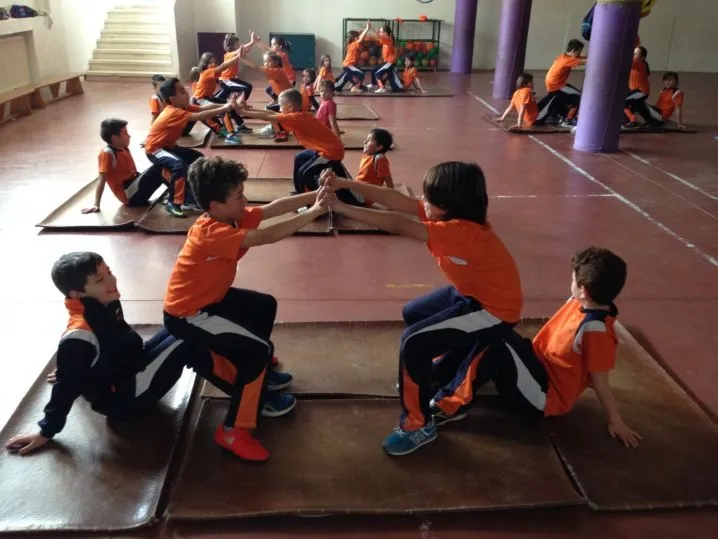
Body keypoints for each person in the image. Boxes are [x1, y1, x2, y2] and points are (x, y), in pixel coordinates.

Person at [320, 162, 523, 456]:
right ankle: (434, 376)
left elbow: (397, 223)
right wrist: (344, 183)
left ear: (447, 206)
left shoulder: (460, 232)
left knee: (414, 343)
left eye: (429, 198)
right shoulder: (449, 216)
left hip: (495, 311)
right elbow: (399, 201)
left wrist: (340, 206)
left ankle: (418, 424)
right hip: (472, 295)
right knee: (414, 314)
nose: (422, 201)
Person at [163, 156, 334, 461]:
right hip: (189, 315)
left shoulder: (231, 217)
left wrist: (314, 194)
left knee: (263, 306)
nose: (245, 200)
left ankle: (257, 372)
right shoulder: (211, 233)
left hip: (212, 299)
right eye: (239, 196)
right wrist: (315, 211)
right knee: (257, 351)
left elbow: (271, 210)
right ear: (216, 205)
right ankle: (233, 429)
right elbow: (266, 235)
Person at [430, 247, 641, 449]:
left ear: (584, 290)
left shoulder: (596, 330)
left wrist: (616, 421)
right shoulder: (581, 302)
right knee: (492, 327)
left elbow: (600, 380)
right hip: (534, 364)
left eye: (573, 280)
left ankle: (450, 406)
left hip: (542, 396)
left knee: (496, 345)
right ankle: (435, 375)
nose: (571, 283)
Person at [3, 253, 202, 455]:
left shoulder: (105, 301)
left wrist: (78, 370)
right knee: (190, 337)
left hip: (131, 366)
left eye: (109, 272)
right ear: (78, 294)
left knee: (181, 322)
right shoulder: (78, 336)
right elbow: (65, 388)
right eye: (99, 280)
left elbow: (115, 345)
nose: (111, 280)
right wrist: (46, 430)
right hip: (125, 397)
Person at [144, 78, 241, 217]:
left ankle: (195, 191)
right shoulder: (172, 112)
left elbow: (203, 108)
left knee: (197, 158)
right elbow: (200, 115)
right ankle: (174, 202)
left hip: (168, 147)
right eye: (182, 91)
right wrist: (225, 108)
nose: (187, 93)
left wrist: (227, 104)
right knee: (178, 165)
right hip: (155, 150)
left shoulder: (181, 108)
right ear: (172, 99)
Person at [82, 119, 165, 214]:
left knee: (165, 163)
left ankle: (174, 194)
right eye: (125, 133)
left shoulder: (124, 149)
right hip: (129, 196)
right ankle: (175, 199)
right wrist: (96, 204)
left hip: (135, 187)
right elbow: (101, 180)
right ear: (114, 138)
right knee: (160, 167)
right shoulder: (107, 153)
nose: (129, 136)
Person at [535, 39, 586, 127]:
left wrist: (584, 56)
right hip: (557, 85)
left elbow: (580, 57)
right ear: (573, 51)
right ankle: (568, 120)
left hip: (552, 83)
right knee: (577, 96)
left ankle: (556, 115)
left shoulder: (563, 57)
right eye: (579, 52)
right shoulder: (568, 60)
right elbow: (586, 61)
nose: (579, 54)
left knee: (562, 98)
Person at [335, 22, 371, 92]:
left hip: (348, 65)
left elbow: (360, 38)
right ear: (355, 38)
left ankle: (353, 85)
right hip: (348, 65)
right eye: (357, 37)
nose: (359, 38)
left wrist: (364, 30)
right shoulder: (353, 45)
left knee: (353, 74)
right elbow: (360, 39)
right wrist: (367, 28)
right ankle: (356, 87)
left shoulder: (352, 45)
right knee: (361, 73)